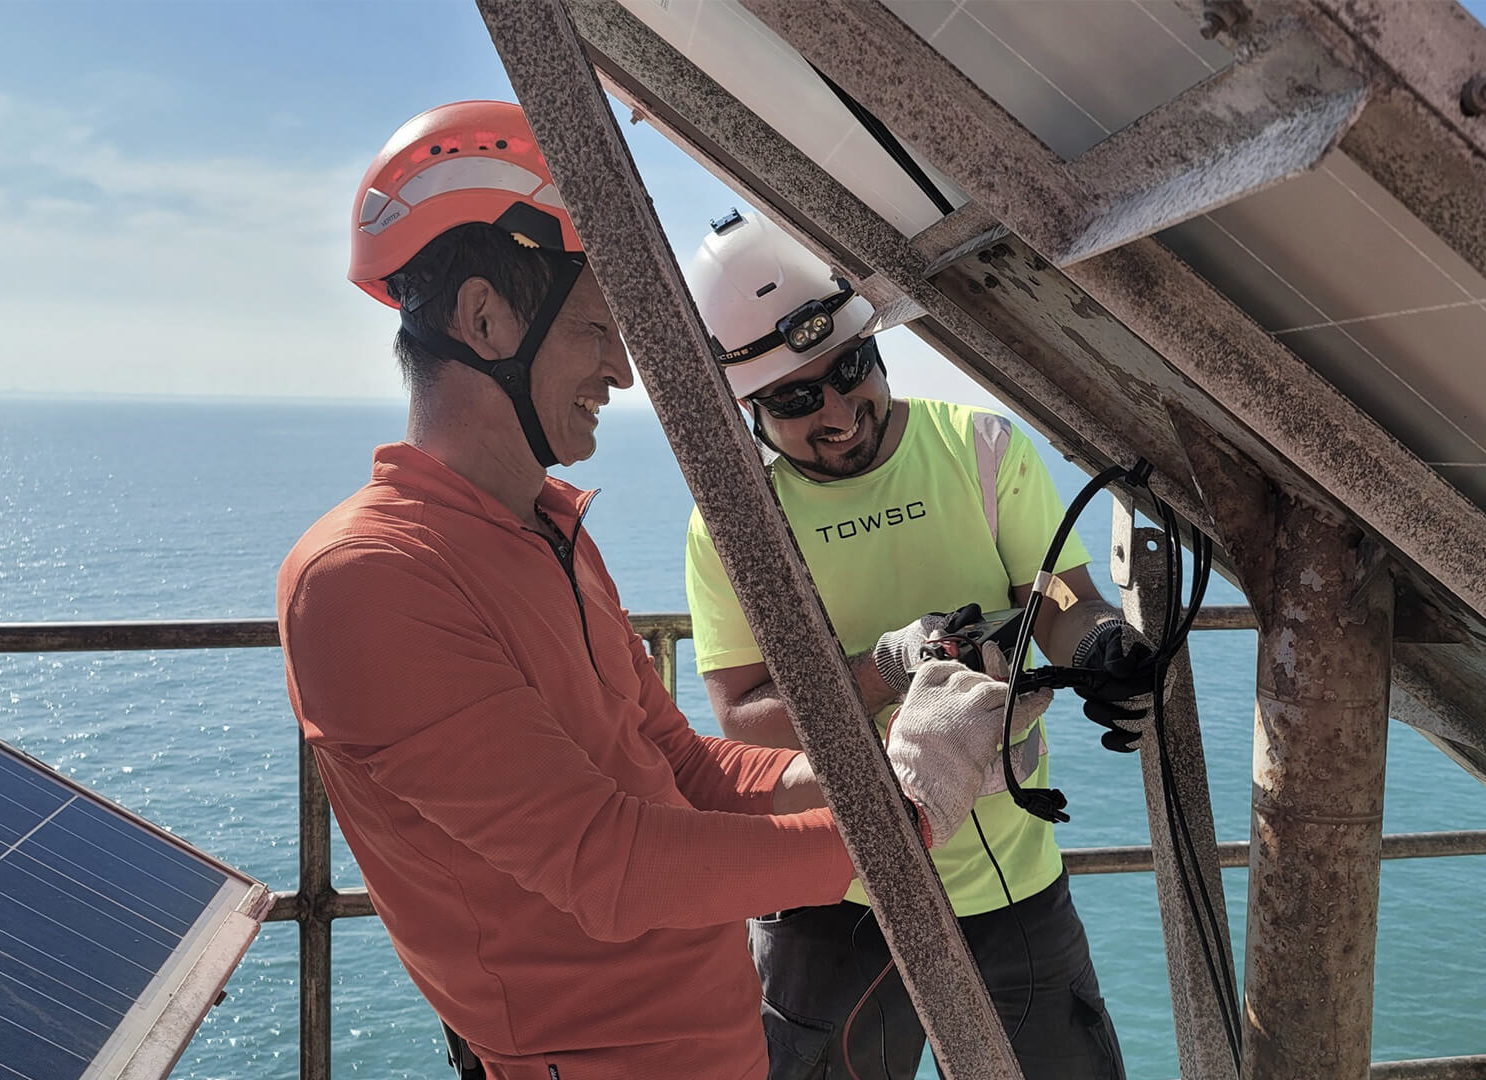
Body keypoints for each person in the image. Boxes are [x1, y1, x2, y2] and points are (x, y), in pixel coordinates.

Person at [276, 101, 1050, 1080]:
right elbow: (610, 867)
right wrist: (909, 818)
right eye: (598, 330)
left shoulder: (549, 532)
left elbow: (681, 767)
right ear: (484, 319)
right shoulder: (367, 581)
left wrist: (885, 766)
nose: (621, 372)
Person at [682, 211, 1156, 1079]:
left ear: (875, 348)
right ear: (748, 409)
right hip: (827, 888)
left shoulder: (981, 449)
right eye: (794, 400)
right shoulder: (735, 524)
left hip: (1006, 873)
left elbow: (1057, 597)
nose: (837, 412)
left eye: (849, 369)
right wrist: (887, 669)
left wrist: (1097, 646)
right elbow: (743, 718)